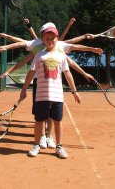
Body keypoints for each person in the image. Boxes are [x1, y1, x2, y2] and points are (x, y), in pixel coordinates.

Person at [20, 24, 81, 159]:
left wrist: (74, 91)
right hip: (41, 96)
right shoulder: (39, 55)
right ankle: (36, 145)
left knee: (58, 121)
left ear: (57, 39)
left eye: (53, 38)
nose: (50, 40)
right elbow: (31, 73)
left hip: (57, 96)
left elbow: (67, 74)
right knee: (39, 121)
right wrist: (24, 88)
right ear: (43, 39)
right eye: (47, 38)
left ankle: (59, 146)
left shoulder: (62, 56)